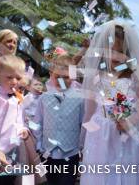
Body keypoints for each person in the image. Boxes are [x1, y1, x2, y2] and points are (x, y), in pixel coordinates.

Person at [80, 20, 139, 185]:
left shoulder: (134, 79)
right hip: (100, 134)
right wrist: (86, 137)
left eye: (121, 52)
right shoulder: (97, 77)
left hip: (126, 133)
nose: (115, 56)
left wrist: (129, 121)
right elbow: (89, 110)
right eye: (111, 51)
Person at [32, 55, 84, 185]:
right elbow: (37, 122)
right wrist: (39, 144)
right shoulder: (44, 98)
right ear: (51, 74)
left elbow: (83, 125)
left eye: (65, 77)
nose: (61, 81)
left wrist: (82, 147)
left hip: (70, 152)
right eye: (57, 77)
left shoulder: (80, 99)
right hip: (48, 153)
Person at [0, 55, 29, 185]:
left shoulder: (17, 98)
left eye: (18, 78)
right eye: (9, 77)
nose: (14, 81)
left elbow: (19, 120)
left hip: (13, 153)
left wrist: (22, 129)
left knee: (9, 181)